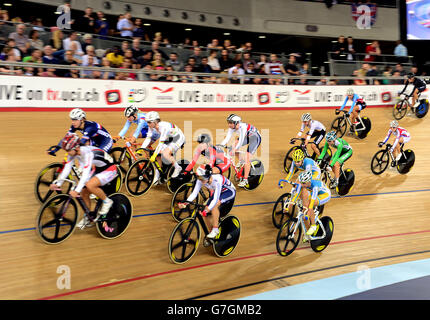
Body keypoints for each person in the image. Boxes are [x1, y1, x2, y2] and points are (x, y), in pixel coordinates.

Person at [49, 133, 117, 229]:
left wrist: (76, 190)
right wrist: (58, 183)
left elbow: (85, 174)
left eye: (68, 150)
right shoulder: (73, 152)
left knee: (89, 185)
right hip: (97, 168)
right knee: (83, 193)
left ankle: (107, 201)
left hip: (110, 169)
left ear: (76, 148)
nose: (67, 152)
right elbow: (67, 168)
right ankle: (88, 217)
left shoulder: (87, 153)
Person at [178, 165, 236, 239]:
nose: (201, 180)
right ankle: (210, 234)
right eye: (199, 178)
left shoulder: (217, 180)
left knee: (214, 206)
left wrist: (208, 209)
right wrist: (185, 203)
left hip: (229, 191)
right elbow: (194, 193)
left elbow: (215, 199)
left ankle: (215, 229)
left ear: (208, 176)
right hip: (218, 193)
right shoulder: (201, 179)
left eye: (202, 178)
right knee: (203, 212)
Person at [283, 170, 331, 238]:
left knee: (309, 206)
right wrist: (289, 206)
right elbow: (296, 195)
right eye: (301, 182)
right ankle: (308, 234)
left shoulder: (315, 186)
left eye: (304, 183)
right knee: (304, 205)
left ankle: (313, 226)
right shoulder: (303, 183)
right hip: (316, 193)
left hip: (325, 195)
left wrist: (308, 210)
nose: (302, 184)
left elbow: (311, 203)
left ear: (309, 181)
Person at [140, 111, 186, 181]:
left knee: (165, 153)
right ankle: (157, 175)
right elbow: (148, 138)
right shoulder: (152, 126)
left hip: (178, 138)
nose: (148, 124)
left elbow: (160, 143)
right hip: (170, 138)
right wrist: (141, 148)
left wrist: (154, 155)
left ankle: (177, 167)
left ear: (155, 122)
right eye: (147, 122)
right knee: (158, 154)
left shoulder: (163, 127)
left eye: (149, 122)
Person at [47, 108, 113, 156]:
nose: (73, 122)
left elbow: (82, 142)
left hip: (106, 141)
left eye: (75, 120)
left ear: (82, 120)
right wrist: (56, 149)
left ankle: (111, 171)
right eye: (72, 119)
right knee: (86, 154)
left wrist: (71, 147)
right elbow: (66, 138)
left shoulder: (90, 127)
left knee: (98, 156)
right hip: (94, 140)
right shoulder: (75, 125)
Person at [220, 114, 261, 188]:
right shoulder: (232, 128)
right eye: (228, 122)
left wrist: (234, 150)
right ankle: (242, 161)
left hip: (255, 138)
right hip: (247, 137)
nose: (229, 124)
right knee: (233, 146)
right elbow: (227, 138)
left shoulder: (243, 127)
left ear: (236, 123)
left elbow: (241, 141)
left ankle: (245, 180)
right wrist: (220, 145)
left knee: (246, 158)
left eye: (230, 123)